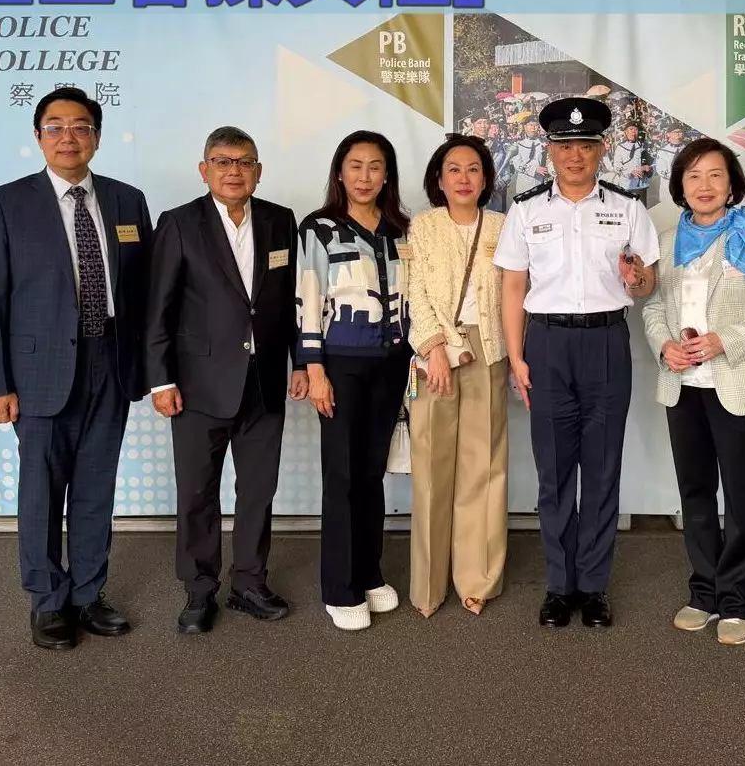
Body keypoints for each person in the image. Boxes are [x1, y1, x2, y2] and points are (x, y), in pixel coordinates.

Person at [0, 86, 152, 650]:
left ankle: (88, 594)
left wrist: (150, 366)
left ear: (96, 136)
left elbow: (144, 292)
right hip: (38, 372)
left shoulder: (127, 201)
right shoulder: (7, 203)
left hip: (111, 361)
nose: (68, 137)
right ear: (38, 136)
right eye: (56, 126)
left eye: (80, 126)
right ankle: (48, 600)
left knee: (97, 486)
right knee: (42, 490)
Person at [493, 96, 659, 629]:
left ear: (601, 149)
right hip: (547, 345)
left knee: (603, 468)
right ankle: (559, 586)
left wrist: (638, 279)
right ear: (550, 151)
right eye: (565, 147)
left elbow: (647, 282)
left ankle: (593, 586)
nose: (575, 156)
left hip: (606, 342)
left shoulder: (628, 208)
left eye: (586, 146)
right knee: (555, 471)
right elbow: (513, 286)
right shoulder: (526, 210)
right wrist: (517, 357)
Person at [144, 126, 306, 634]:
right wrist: (160, 381)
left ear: (258, 170)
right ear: (204, 170)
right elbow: (158, 307)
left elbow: (292, 302)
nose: (234, 171)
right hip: (197, 385)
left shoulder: (281, 221)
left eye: (244, 162)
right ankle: (198, 590)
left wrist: (301, 363)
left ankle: (250, 584)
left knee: (258, 491)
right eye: (222, 161)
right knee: (198, 493)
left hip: (264, 382)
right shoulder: (179, 223)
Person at [641, 138, 745, 646]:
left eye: (714, 175)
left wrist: (723, 341)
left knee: (742, 497)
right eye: (693, 176)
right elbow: (653, 307)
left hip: (738, 384)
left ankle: (737, 599)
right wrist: (665, 346)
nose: (704, 185)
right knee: (695, 493)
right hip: (682, 387)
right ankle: (704, 591)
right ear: (680, 186)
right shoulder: (668, 242)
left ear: (732, 184)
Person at [296, 131, 413, 631]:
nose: (365, 176)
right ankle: (340, 588)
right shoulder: (319, 228)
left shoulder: (402, 229)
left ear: (387, 175)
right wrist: (314, 370)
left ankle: (369, 572)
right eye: (355, 165)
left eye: (375, 166)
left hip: (392, 362)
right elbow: (307, 298)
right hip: (341, 363)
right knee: (342, 476)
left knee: (371, 473)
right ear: (340, 173)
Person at [405, 135, 511, 618]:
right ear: (439, 179)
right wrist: (434, 348)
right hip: (435, 353)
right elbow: (415, 292)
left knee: (483, 465)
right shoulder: (423, 226)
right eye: (454, 169)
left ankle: (477, 578)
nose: (464, 178)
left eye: (473, 169)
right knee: (432, 467)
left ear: (486, 179)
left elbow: (515, 294)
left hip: (488, 349)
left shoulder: (503, 226)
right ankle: (428, 585)